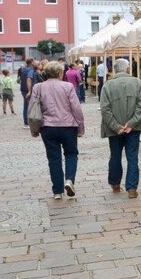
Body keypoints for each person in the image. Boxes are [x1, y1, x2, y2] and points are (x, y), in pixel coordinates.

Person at [29, 61, 84, 200]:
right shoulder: (68, 86)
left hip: (47, 127)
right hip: (68, 126)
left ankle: (57, 191)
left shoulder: (38, 87)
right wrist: (80, 127)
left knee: (54, 158)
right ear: (60, 73)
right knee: (71, 154)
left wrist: (34, 129)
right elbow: (76, 108)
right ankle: (69, 180)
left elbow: (32, 109)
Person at [99, 58, 141, 198]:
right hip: (134, 127)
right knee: (132, 157)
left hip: (114, 129)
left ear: (115, 69)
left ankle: (115, 183)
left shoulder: (107, 85)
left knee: (115, 155)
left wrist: (116, 126)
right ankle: (131, 188)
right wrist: (131, 123)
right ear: (127, 68)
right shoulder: (137, 83)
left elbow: (105, 109)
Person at [20, 58, 37, 128]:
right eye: (34, 61)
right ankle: (29, 123)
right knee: (30, 107)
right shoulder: (30, 70)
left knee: (26, 106)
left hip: (23, 89)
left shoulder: (23, 69)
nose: (35, 62)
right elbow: (29, 80)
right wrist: (30, 91)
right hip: (28, 90)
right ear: (32, 62)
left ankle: (26, 123)